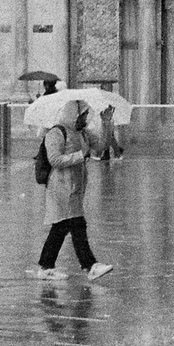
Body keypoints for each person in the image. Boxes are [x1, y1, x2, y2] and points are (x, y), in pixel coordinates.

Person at [34, 99, 114, 281]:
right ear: (74, 115)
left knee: (61, 226)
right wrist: (80, 155)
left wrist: (107, 123)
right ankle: (90, 265)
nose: (85, 119)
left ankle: (46, 266)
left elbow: (101, 147)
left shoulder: (83, 134)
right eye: (83, 115)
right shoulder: (56, 133)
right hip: (60, 187)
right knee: (76, 224)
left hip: (75, 186)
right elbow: (55, 160)